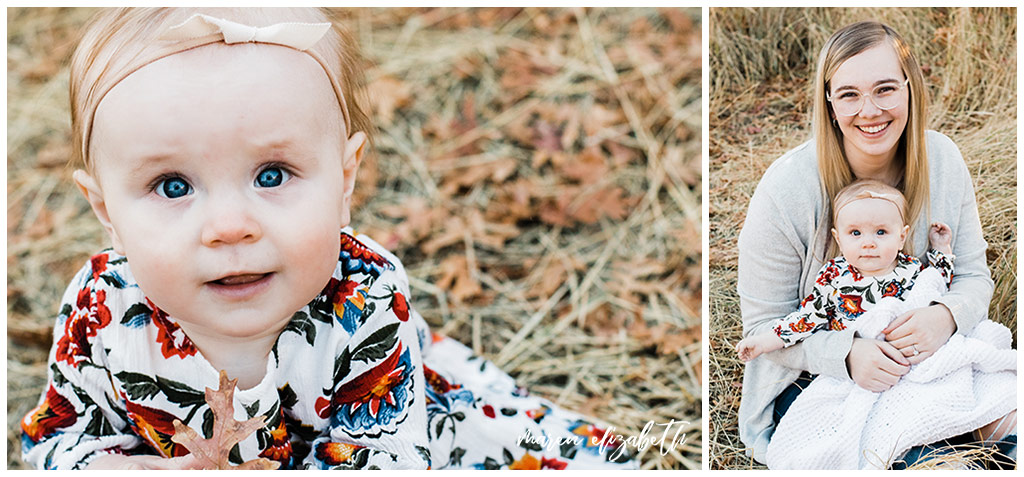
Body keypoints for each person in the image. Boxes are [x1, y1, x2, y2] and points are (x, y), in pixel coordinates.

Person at [20, 8, 635, 470]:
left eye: (271, 176)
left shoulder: (362, 300)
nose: (230, 226)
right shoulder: (100, 310)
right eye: (172, 187)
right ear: (105, 211)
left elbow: (382, 456)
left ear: (344, 181)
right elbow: (58, 436)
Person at [736, 20, 1016, 467]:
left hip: (929, 357)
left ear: (910, 90)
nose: (869, 110)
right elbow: (764, 327)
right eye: (849, 94)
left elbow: (970, 275)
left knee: (1010, 418)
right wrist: (847, 354)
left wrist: (944, 317)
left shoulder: (942, 160)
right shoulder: (786, 189)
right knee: (926, 458)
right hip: (820, 381)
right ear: (829, 103)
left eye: (885, 89)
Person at [736, 180, 954, 362]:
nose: (868, 243)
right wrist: (764, 342)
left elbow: (937, 284)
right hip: (861, 363)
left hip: (911, 354)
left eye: (881, 232)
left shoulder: (911, 268)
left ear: (901, 237)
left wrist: (941, 248)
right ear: (839, 239)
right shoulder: (834, 276)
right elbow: (808, 318)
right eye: (856, 233)